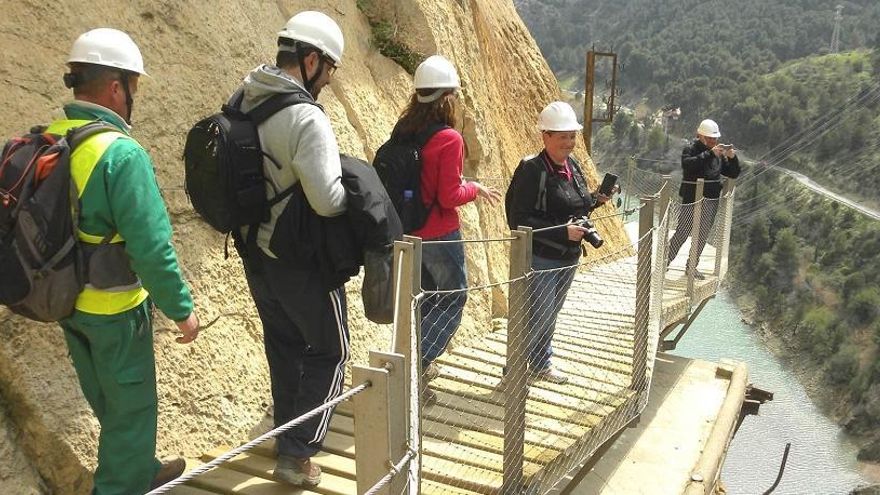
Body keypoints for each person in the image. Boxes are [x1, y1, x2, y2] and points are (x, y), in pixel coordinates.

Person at [51, 28, 200, 494]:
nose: (134, 95)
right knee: (132, 409)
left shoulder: (49, 139)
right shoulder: (120, 153)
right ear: (116, 86)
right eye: (133, 85)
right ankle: (121, 482)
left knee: (107, 400)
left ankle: (140, 464)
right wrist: (182, 310)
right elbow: (151, 247)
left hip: (65, 301)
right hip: (114, 312)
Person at [233, 11, 348, 487]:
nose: (329, 82)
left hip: (252, 252)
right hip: (298, 259)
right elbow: (327, 199)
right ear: (312, 59)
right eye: (330, 71)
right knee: (333, 351)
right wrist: (352, 192)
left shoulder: (242, 98)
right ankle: (298, 453)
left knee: (284, 348)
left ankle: (286, 437)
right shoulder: (304, 116)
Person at [394, 55, 500, 402]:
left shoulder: (405, 128)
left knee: (424, 302)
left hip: (409, 231)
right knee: (454, 298)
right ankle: (415, 368)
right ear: (447, 98)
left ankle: (412, 374)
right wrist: (476, 189)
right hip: (439, 232)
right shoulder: (449, 138)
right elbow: (449, 194)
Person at [506, 101, 611, 385]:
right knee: (537, 315)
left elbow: (573, 206)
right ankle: (513, 372)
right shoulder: (532, 169)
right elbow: (518, 220)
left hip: (568, 256)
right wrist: (561, 232)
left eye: (572, 136)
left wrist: (594, 199)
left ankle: (541, 363)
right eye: (562, 136)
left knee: (551, 314)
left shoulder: (571, 166)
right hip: (542, 257)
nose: (568, 142)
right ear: (545, 136)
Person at [667, 118, 741, 278]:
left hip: (711, 200)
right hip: (692, 199)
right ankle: (665, 261)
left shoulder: (718, 154)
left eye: (715, 139)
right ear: (700, 136)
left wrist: (732, 158)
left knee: (702, 235)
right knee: (683, 232)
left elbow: (732, 173)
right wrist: (709, 154)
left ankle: (692, 267)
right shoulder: (691, 149)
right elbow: (688, 164)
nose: (713, 141)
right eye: (709, 138)